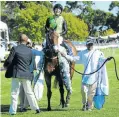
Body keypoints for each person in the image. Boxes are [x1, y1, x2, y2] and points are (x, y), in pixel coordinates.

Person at [4, 34, 40, 115]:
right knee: (29, 92)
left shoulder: (15, 48)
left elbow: (9, 60)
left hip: (16, 73)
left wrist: (6, 65)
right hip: (26, 73)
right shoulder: (30, 50)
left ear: (18, 40)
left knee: (14, 93)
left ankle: (13, 111)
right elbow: (30, 62)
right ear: (27, 41)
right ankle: (36, 108)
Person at [77, 39, 109, 111]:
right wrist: (67, 57)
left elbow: (102, 60)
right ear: (86, 45)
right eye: (89, 44)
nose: (90, 46)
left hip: (94, 76)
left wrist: (107, 59)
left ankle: (89, 106)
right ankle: (84, 103)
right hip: (85, 76)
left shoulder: (97, 52)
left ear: (93, 45)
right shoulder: (82, 53)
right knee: (83, 90)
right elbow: (75, 59)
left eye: (91, 44)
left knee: (91, 93)